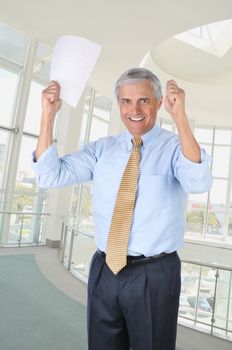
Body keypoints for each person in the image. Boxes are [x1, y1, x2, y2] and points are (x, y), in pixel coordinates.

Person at [32, 67, 212, 350]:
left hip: (155, 273)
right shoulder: (102, 150)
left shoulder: (175, 148)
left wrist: (181, 119)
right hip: (105, 269)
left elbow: (198, 180)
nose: (134, 109)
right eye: (126, 101)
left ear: (159, 102)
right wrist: (47, 116)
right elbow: (49, 175)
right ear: (119, 105)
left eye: (143, 100)